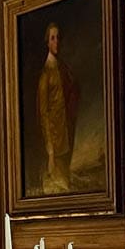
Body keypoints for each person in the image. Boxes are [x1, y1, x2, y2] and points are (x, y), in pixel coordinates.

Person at [36, 22, 78, 192]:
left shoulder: (62, 69)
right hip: (55, 139)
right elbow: (43, 113)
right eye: (53, 38)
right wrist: (50, 151)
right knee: (60, 185)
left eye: (58, 38)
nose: (56, 42)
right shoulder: (45, 76)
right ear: (48, 42)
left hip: (66, 133)